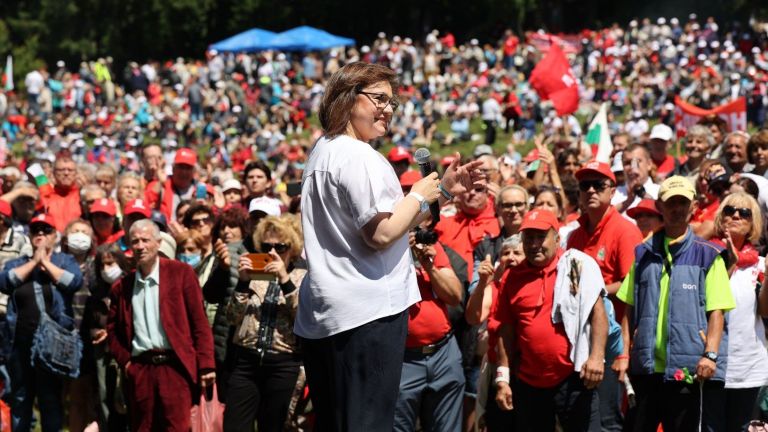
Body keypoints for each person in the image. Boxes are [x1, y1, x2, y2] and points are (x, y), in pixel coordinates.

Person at [296, 62, 482, 431]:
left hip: (329, 314)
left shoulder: (323, 150)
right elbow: (380, 234)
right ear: (347, 98)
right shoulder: (359, 155)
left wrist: (440, 192)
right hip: (366, 314)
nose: (388, 109)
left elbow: (396, 223)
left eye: (392, 102)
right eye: (379, 98)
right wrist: (419, 194)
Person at [615, 176, 735, 432]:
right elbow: (628, 309)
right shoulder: (642, 252)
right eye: (671, 203)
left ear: (693, 206)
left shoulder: (708, 254)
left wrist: (710, 355)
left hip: (688, 368)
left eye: (683, 202)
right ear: (660, 206)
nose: (677, 208)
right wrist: (624, 353)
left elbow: (718, 312)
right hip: (645, 368)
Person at [494, 209, 608, 432]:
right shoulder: (512, 277)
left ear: (556, 238)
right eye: (529, 238)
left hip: (574, 378)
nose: (534, 244)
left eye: (540, 237)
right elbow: (506, 330)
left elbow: (598, 313)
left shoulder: (575, 266)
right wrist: (503, 378)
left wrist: (596, 357)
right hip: (529, 384)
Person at [107, 219, 215, 431]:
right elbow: (112, 330)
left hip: (175, 367)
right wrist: (127, 363)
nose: (140, 246)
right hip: (141, 369)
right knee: (142, 427)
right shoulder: (123, 286)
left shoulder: (181, 273)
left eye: (145, 240)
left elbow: (199, 322)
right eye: (135, 241)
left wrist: (206, 365)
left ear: (158, 243)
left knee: (177, 427)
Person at [0, 213, 83, 432]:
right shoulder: (17, 263)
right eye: (36, 231)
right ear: (29, 236)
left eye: (46, 231)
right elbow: (5, 281)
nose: (40, 235)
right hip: (20, 345)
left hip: (52, 346)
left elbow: (73, 282)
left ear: (55, 236)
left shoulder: (65, 261)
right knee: (20, 400)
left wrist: (46, 262)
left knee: (50, 401)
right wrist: (34, 262)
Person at [223, 215, 305, 432]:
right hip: (246, 361)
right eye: (267, 247)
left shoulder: (302, 277)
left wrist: (284, 281)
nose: (273, 253)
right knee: (234, 426)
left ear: (293, 248)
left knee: (274, 426)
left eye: (280, 247)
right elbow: (232, 318)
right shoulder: (253, 275)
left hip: (283, 363)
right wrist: (242, 283)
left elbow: (304, 320)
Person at [394, 221, 464, 432]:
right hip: (402, 359)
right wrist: (396, 251)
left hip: (444, 353)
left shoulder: (428, 246)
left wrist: (429, 266)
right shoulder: (381, 249)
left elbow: (454, 296)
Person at [709, 192, 768, 431]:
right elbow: (707, 303)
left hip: (747, 365)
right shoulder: (705, 254)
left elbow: (764, 310)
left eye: (743, 213)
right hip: (712, 363)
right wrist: (729, 264)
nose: (735, 215)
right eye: (729, 210)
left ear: (752, 223)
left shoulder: (760, 263)